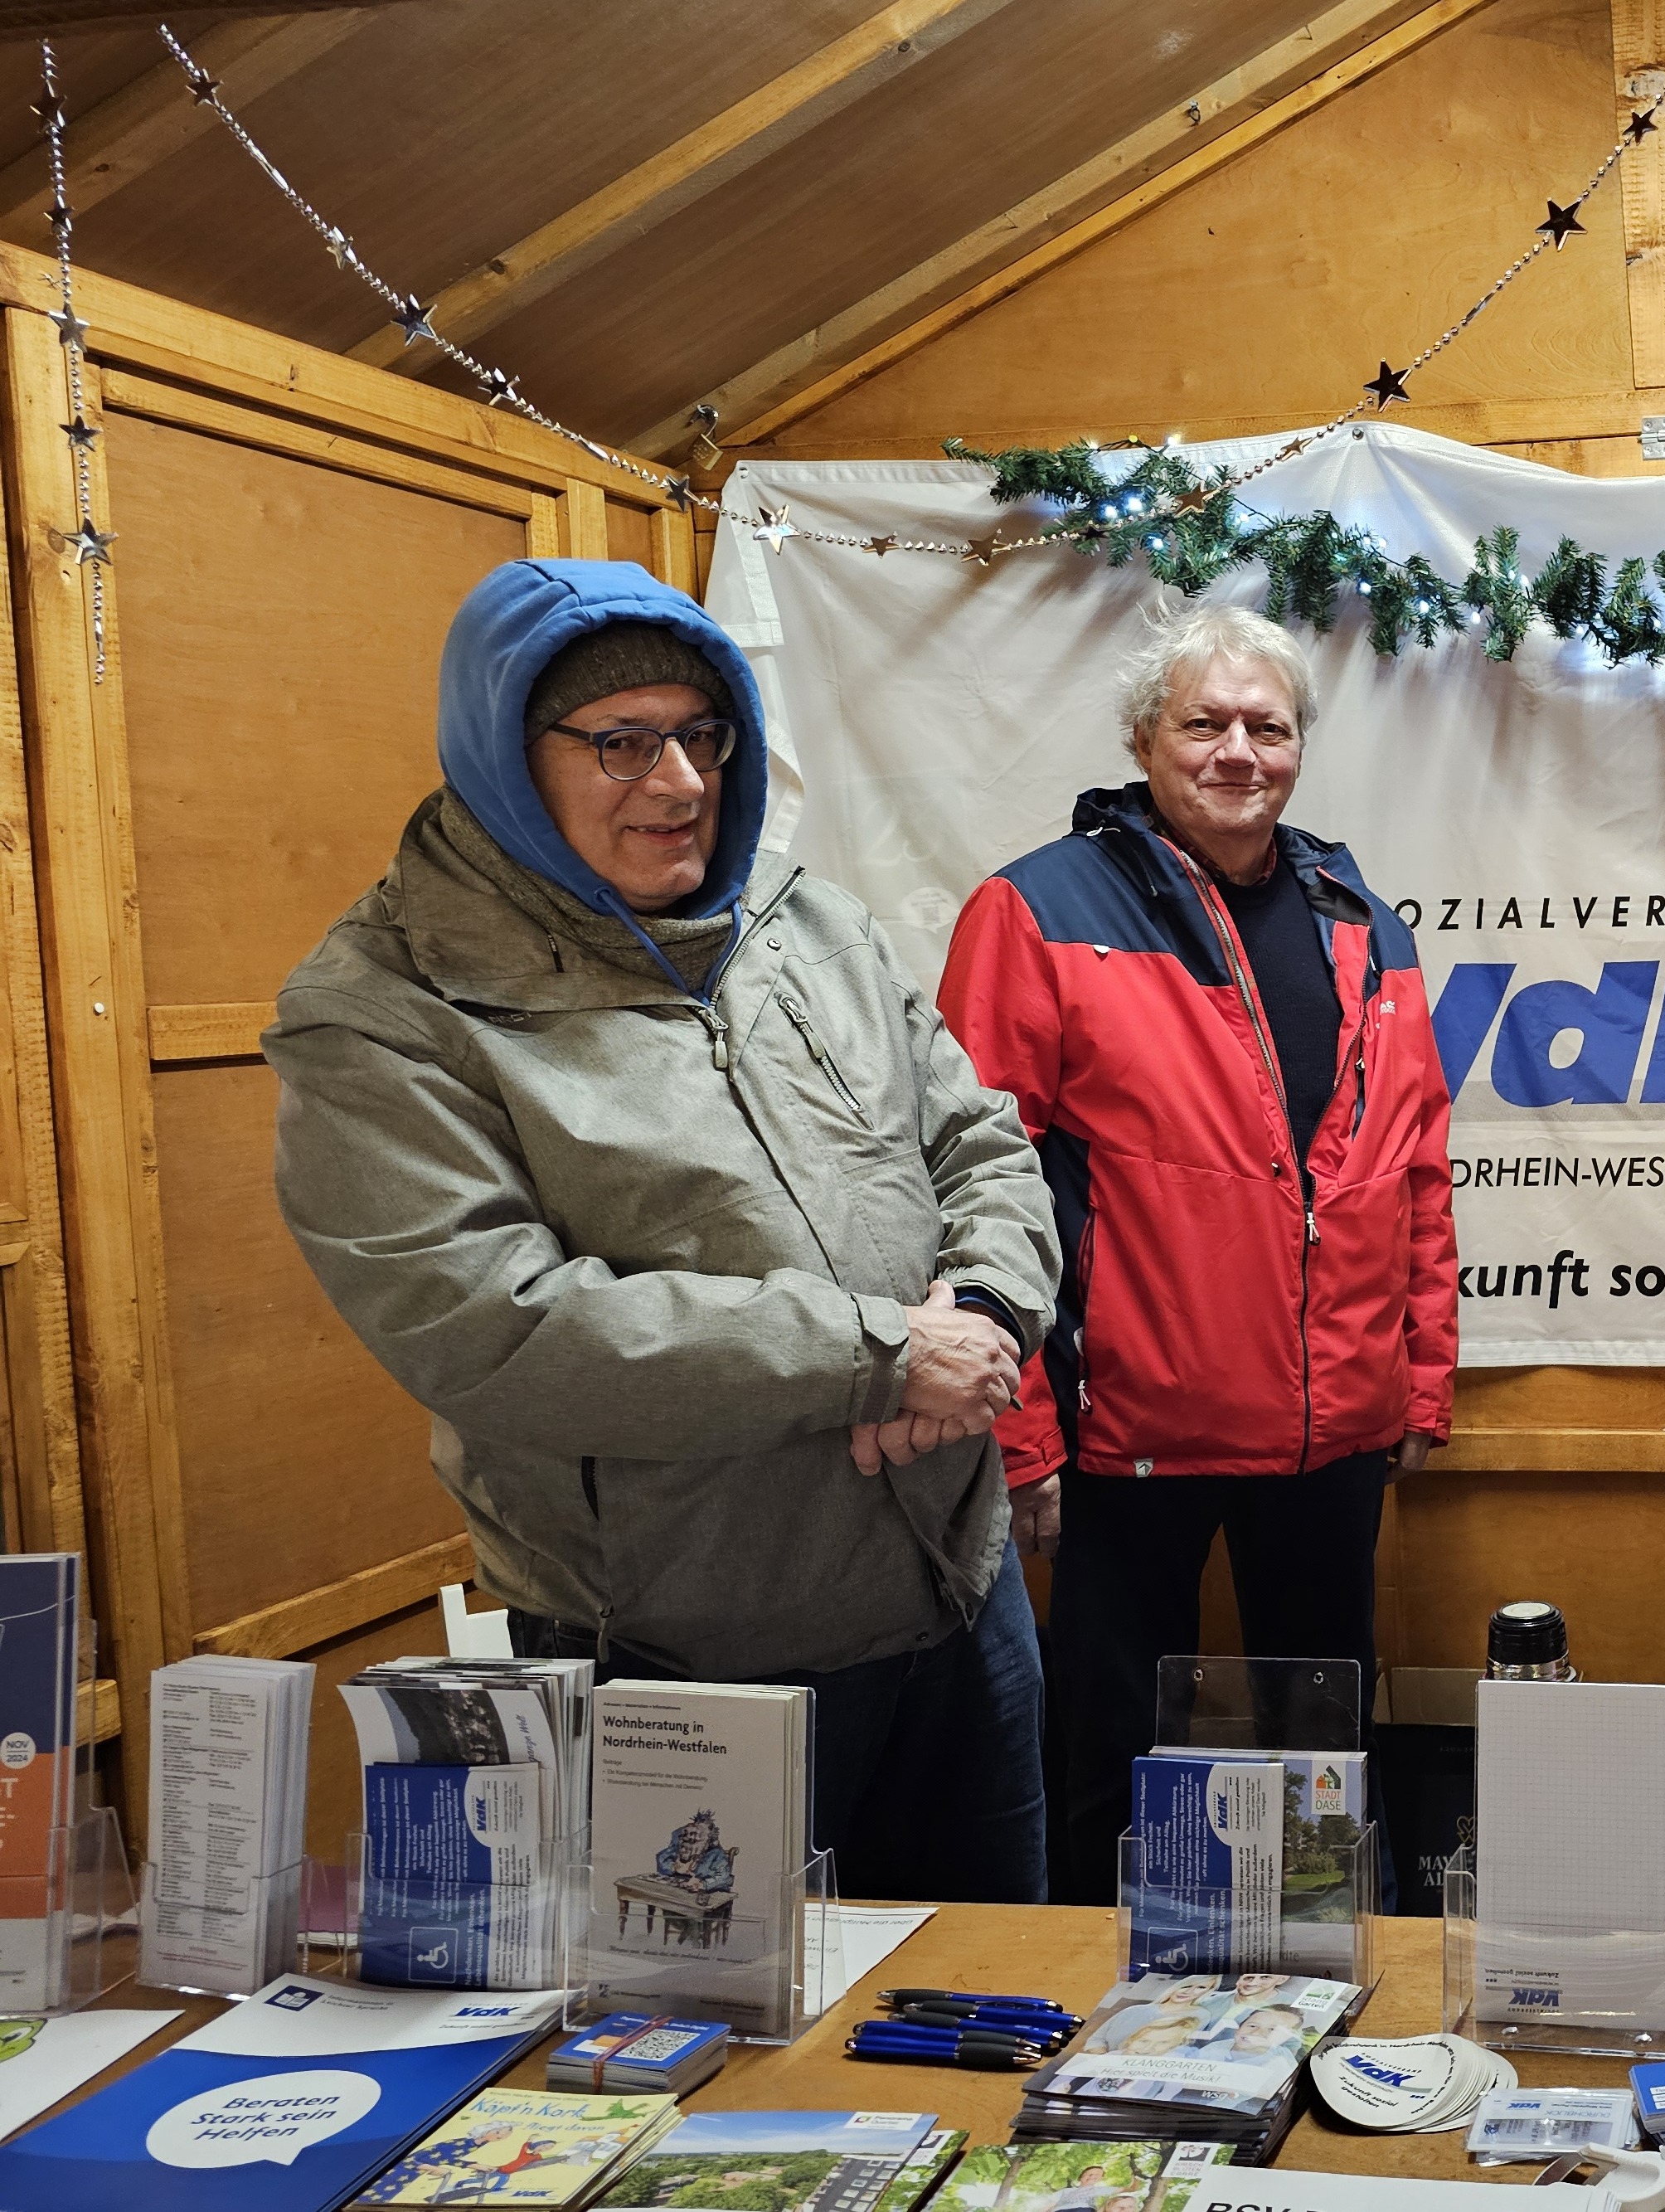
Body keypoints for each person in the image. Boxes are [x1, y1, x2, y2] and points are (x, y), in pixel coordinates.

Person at [267, 558, 1061, 1902]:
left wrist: (980, 1317)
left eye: (700, 732)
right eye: (621, 741)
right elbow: (495, 1326)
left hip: (957, 1593)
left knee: (985, 2024)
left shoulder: (803, 920)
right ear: (509, 759)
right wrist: (874, 1356)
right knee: (720, 2074)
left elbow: (978, 1137)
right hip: (684, 1661)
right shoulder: (383, 1006)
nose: (683, 781)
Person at [938, 603, 1458, 1905]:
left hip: (1333, 1433)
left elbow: (1415, 1169)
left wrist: (1419, 1378)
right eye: (1206, 722)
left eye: (1267, 725)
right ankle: (1091, 2015)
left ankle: (1334, 2010)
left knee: (1322, 1763)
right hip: (1129, 1442)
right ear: (1143, 738)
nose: (1240, 750)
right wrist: (1023, 1436)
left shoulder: (1361, 917)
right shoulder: (1033, 907)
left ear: (1297, 746)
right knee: (1110, 1769)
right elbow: (969, 1188)